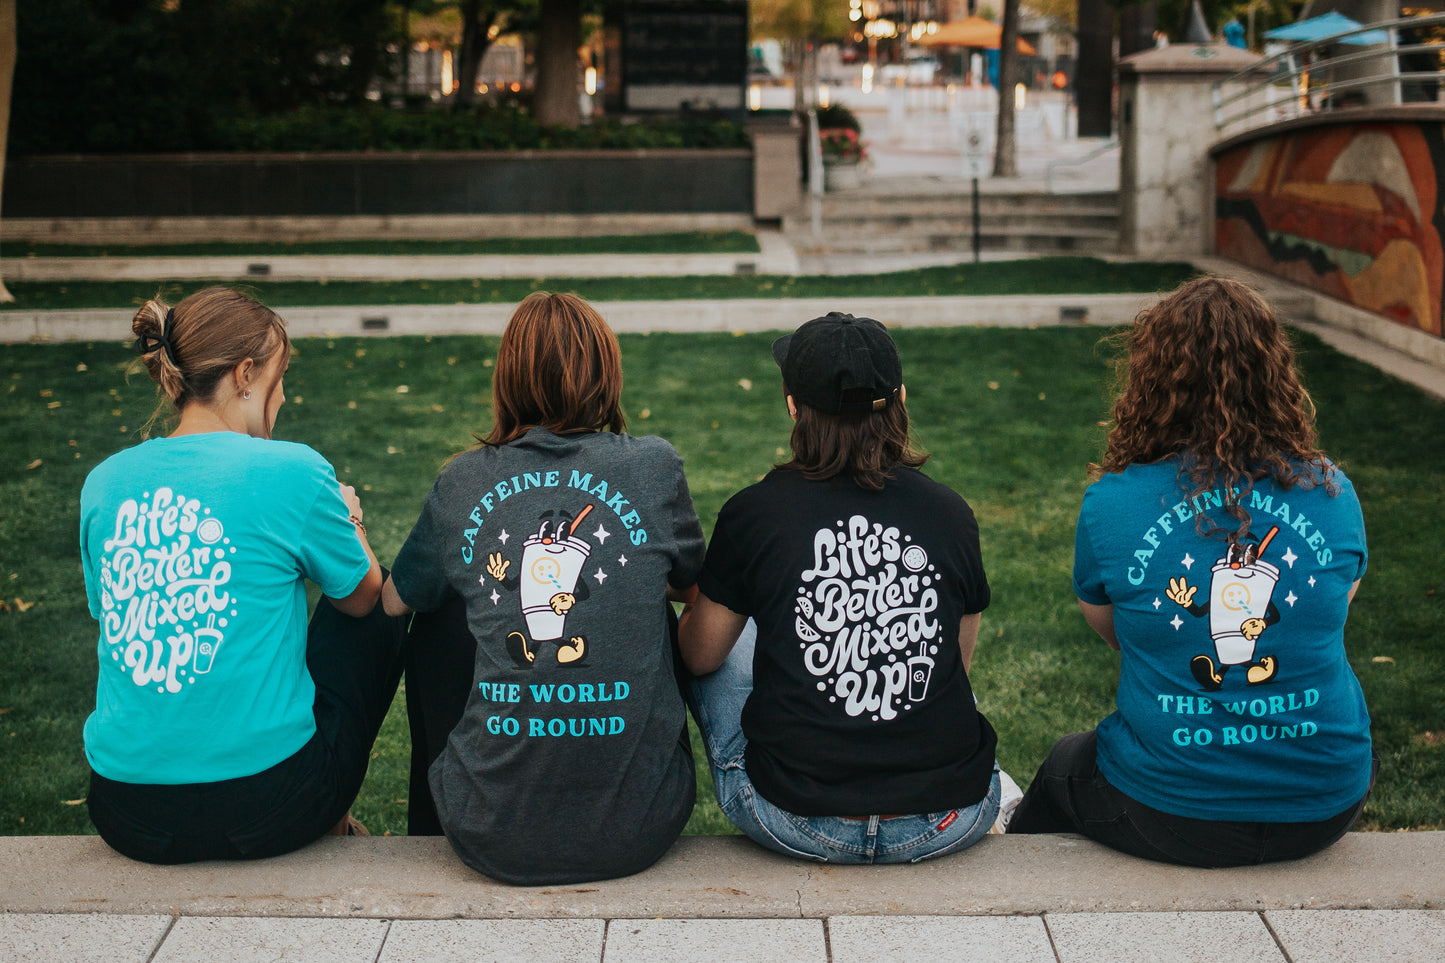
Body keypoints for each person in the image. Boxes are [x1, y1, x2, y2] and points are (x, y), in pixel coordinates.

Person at [1008, 276, 1376, 866]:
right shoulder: (1333, 493)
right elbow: (1326, 614)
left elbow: (1116, 630)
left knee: (1063, 767)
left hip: (1170, 812)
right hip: (1324, 803)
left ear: (1151, 379)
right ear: (1276, 372)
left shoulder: (1113, 504)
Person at [383, 292, 705, 885]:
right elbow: (695, 589)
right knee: (661, 605)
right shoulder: (654, 465)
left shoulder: (464, 479)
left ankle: (439, 808)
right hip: (641, 826)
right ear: (608, 376)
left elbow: (394, 600)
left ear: (507, 380)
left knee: (439, 613)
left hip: (488, 829)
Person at [81, 287, 406, 863]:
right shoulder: (294, 470)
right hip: (266, 810)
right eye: (281, 376)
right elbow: (362, 601)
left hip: (125, 813)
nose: (284, 395)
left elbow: (112, 618)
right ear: (247, 374)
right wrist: (349, 516)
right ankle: (331, 815)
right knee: (378, 600)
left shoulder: (104, 483)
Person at [678, 312, 1001, 863]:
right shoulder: (950, 514)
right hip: (949, 816)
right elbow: (955, 664)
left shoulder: (755, 514)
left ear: (793, 406)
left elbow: (700, 656)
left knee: (723, 633)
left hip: (792, 816)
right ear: (901, 398)